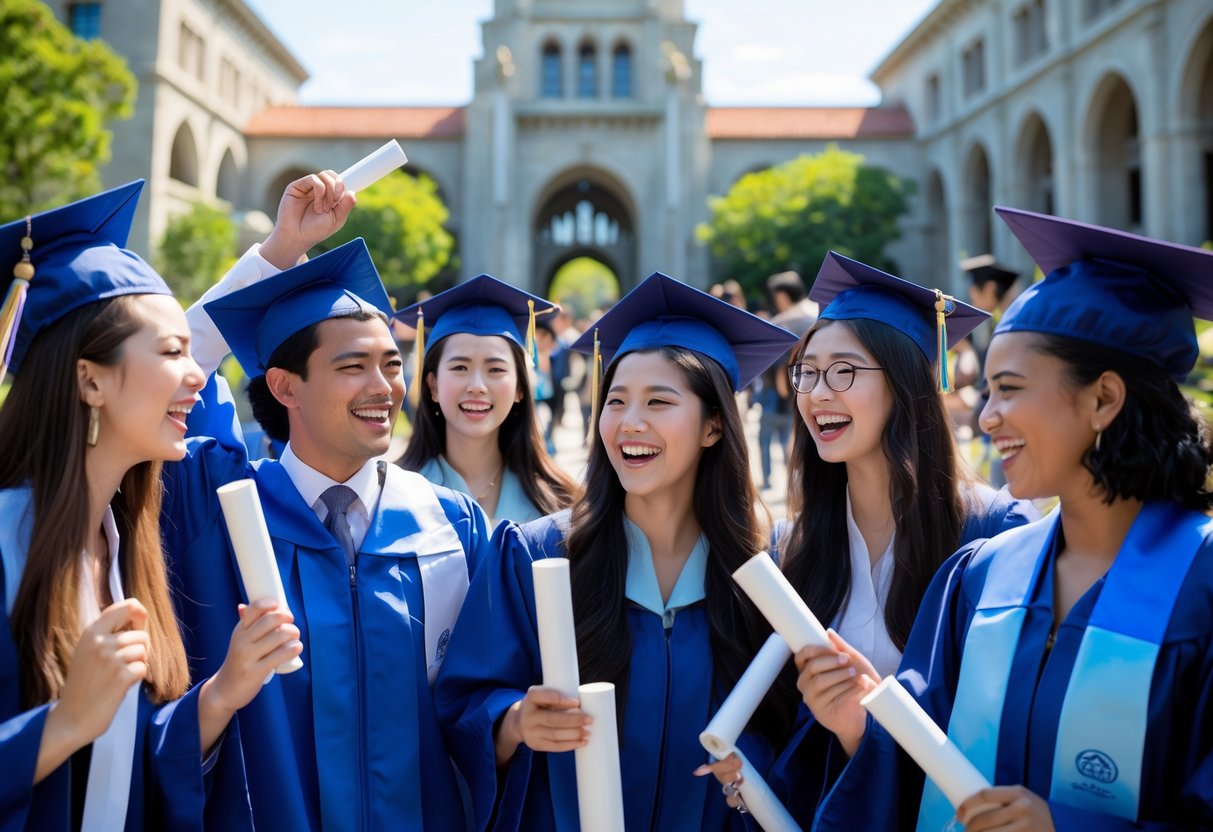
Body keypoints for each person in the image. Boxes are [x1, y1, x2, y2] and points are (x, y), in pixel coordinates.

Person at [814, 208, 1213, 830]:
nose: (987, 416)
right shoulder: (980, 577)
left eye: (1011, 388)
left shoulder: (1204, 585)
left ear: (1104, 398)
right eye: (989, 391)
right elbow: (915, 775)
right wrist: (865, 722)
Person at [160, 172, 497, 831]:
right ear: (284, 387)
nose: (384, 388)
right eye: (352, 367)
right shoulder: (223, 510)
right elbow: (173, 374)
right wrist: (278, 251)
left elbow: (480, 703)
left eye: (393, 364)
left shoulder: (450, 526)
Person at [434, 272, 800, 831]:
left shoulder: (768, 571)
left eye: (659, 401)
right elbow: (464, 704)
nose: (630, 423)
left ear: (712, 427)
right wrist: (514, 721)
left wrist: (759, 770)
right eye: (616, 401)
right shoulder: (536, 556)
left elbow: (800, 731)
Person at [0, 182, 301, 830]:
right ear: (90, 379)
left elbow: (125, 769)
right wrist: (63, 724)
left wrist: (220, 695)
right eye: (173, 352)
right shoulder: (3, 544)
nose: (200, 375)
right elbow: (80, 733)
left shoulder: (125, 541)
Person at [705, 252, 1039, 825]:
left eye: (844, 371)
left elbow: (1014, 731)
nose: (815, 393)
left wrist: (869, 722)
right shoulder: (793, 548)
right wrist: (748, 763)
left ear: (905, 381)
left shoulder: (997, 535)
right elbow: (778, 719)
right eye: (806, 371)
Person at [395, 275, 578, 525]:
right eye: (460, 367)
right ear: (432, 385)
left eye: (495, 370)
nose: (477, 387)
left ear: (520, 389)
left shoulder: (560, 505)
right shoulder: (394, 497)